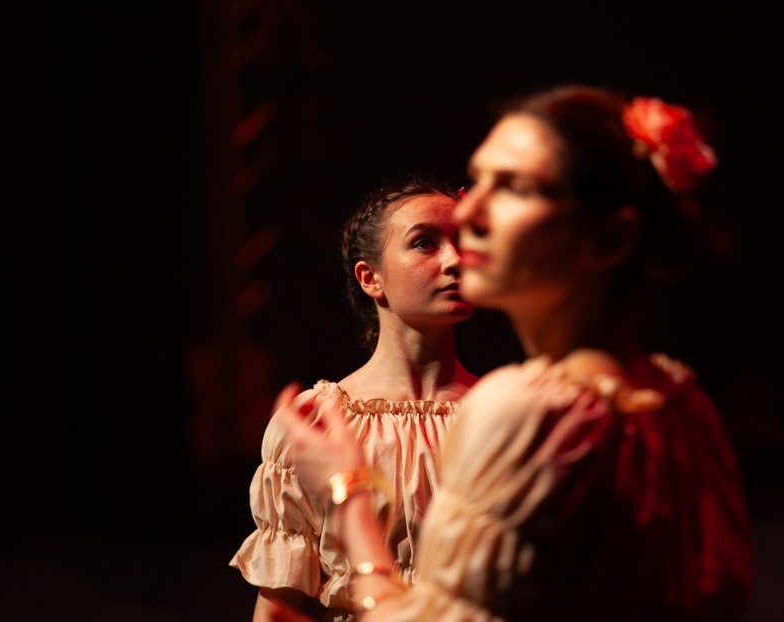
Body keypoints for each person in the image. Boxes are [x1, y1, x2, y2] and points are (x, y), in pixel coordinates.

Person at [275, 85, 754, 621]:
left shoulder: (531, 412)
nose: (470, 213)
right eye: (479, 182)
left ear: (609, 238)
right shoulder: (683, 404)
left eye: (513, 188)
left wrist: (348, 497)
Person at [230, 174, 481, 621]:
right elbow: (281, 602)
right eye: (425, 243)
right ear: (371, 278)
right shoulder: (321, 422)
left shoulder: (502, 414)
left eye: (464, 241)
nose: (456, 260)